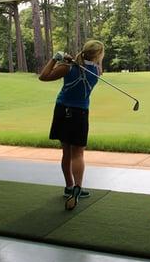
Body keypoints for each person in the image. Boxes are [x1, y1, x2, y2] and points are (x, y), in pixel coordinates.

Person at [38, 40, 104, 210]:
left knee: (66, 152)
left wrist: (56, 58)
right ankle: (78, 188)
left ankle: (69, 187)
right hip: (80, 113)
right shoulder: (97, 70)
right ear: (98, 55)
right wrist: (71, 61)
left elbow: (43, 76)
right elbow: (96, 64)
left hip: (62, 110)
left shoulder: (68, 68)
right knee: (78, 154)